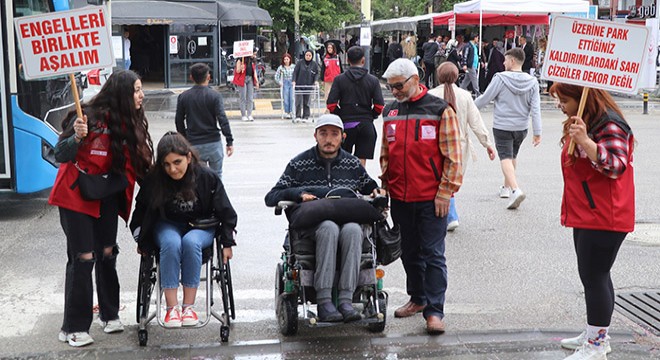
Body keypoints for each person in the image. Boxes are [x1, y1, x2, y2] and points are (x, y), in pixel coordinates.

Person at [48, 70, 154, 347]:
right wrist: (76, 138)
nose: (142, 95)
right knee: (83, 257)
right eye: (136, 90)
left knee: (107, 253)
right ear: (121, 93)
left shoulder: (132, 122)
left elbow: (142, 168)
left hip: (107, 194)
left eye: (141, 89)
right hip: (75, 195)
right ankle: (74, 327)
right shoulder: (87, 116)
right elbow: (59, 154)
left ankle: (110, 314)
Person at [264, 114, 385, 322]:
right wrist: (298, 194)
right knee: (329, 227)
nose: (328, 139)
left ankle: (346, 301)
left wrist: (376, 191)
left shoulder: (352, 164)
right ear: (315, 136)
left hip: (348, 223)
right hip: (312, 228)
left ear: (343, 137)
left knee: (353, 229)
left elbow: (370, 186)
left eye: (334, 134)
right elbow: (272, 196)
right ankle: (324, 301)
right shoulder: (299, 164)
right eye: (323, 134)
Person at [549, 83, 634, 360]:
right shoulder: (586, 120)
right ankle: (596, 334)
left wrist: (586, 141)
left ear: (580, 96)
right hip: (588, 211)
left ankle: (597, 345)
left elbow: (616, 165)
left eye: (563, 100)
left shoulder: (608, 123)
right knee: (594, 275)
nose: (560, 105)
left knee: (594, 276)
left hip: (605, 215)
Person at [380, 59, 463, 335]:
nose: (394, 92)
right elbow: (386, 154)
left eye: (399, 86)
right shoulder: (390, 112)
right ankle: (417, 298)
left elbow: (453, 158)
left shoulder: (440, 110)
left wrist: (445, 193)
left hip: (431, 198)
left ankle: (435, 311)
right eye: (390, 87)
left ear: (415, 79)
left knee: (433, 255)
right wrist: (385, 187)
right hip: (401, 199)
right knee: (409, 252)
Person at [130, 132, 237, 328]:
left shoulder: (207, 177)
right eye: (166, 164)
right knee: (171, 243)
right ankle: (172, 309)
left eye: (177, 162)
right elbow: (140, 213)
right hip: (167, 224)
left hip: (201, 225)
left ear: (188, 157)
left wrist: (227, 242)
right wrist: (141, 240)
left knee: (190, 242)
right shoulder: (155, 180)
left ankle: (188, 307)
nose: (172, 169)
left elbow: (226, 211)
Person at [428, 62, 495, 231]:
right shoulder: (465, 96)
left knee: (437, 178)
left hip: (434, 144)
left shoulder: (430, 95)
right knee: (450, 179)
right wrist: (487, 144)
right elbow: (476, 122)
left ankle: (447, 215)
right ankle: (450, 215)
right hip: (459, 146)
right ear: (457, 76)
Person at [474, 48, 541, 210]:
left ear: (512, 61)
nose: (503, 63)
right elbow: (536, 108)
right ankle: (506, 189)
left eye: (505, 60)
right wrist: (537, 132)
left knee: (505, 158)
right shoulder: (532, 82)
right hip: (521, 127)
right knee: (512, 156)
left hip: (502, 125)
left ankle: (515, 189)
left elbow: (485, 99)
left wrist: (469, 109)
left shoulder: (500, 79)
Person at [326, 46, 384, 167]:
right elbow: (379, 106)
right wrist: (371, 115)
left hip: (347, 124)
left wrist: (340, 115)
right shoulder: (373, 80)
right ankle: (359, 183)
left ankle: (345, 183)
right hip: (366, 125)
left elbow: (331, 104)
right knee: (361, 161)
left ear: (347, 59)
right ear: (363, 60)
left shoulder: (339, 80)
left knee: (343, 159)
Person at [175, 63, 234, 180]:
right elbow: (222, 119)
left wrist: (184, 139)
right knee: (217, 176)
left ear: (191, 77)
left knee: (196, 178)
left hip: (194, 144)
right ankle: (215, 197)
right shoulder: (215, 96)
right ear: (208, 77)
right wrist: (229, 141)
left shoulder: (184, 97)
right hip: (214, 143)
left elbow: (179, 121)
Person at [233, 49, 260, 121]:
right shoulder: (240, 60)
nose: (255, 56)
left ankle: (249, 114)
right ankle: (243, 115)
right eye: (253, 54)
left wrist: (256, 81)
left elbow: (254, 72)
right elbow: (237, 71)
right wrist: (241, 68)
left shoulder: (252, 61)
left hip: (250, 79)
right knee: (243, 97)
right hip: (242, 79)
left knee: (250, 98)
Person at [292, 50, 319, 122]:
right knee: (298, 101)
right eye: (307, 55)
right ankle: (298, 116)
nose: (308, 57)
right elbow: (295, 72)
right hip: (299, 85)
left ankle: (306, 116)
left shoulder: (314, 64)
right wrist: (294, 81)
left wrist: (316, 81)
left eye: (310, 55)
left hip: (309, 85)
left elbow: (316, 73)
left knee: (307, 102)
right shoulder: (300, 63)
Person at [275, 53, 295, 119]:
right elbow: (276, 76)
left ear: (290, 59)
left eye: (287, 59)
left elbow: (296, 74)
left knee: (292, 98)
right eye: (285, 59)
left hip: (291, 82)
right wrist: (280, 82)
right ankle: (287, 112)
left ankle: (292, 111)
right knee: (286, 98)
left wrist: (295, 81)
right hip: (285, 82)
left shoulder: (293, 66)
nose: (286, 61)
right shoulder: (281, 67)